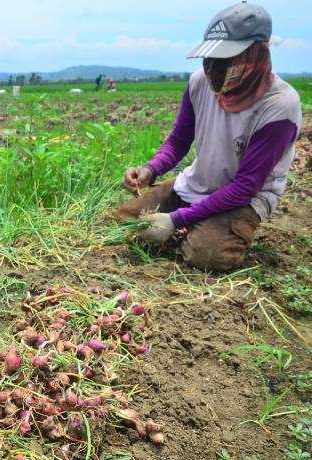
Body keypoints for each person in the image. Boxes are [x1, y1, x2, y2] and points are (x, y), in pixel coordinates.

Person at [117, 2, 301, 272]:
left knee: (206, 256)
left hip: (244, 199)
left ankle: (196, 228)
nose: (213, 68)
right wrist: (150, 169)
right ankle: (190, 223)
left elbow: (245, 187)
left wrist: (175, 220)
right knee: (127, 219)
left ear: (256, 54)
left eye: (226, 59)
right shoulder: (199, 83)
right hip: (198, 182)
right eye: (211, 57)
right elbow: (179, 140)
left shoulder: (279, 106)